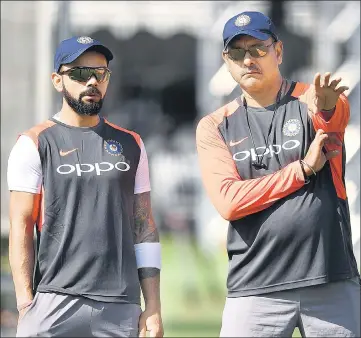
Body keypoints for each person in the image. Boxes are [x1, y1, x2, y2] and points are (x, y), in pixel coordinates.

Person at [196, 11, 360, 338]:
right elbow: (228, 202)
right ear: (226, 61)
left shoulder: (312, 98)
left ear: (278, 52)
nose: (248, 60)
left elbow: (333, 117)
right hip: (255, 286)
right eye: (237, 53)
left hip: (330, 279)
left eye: (257, 49)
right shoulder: (214, 125)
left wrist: (327, 109)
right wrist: (300, 171)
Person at [7, 36, 164, 337]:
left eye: (100, 73)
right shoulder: (34, 143)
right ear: (57, 80)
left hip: (121, 305)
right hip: (54, 302)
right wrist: (26, 301)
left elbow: (144, 227)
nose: (92, 81)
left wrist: (153, 306)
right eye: (80, 73)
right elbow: (21, 226)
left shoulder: (132, 144)